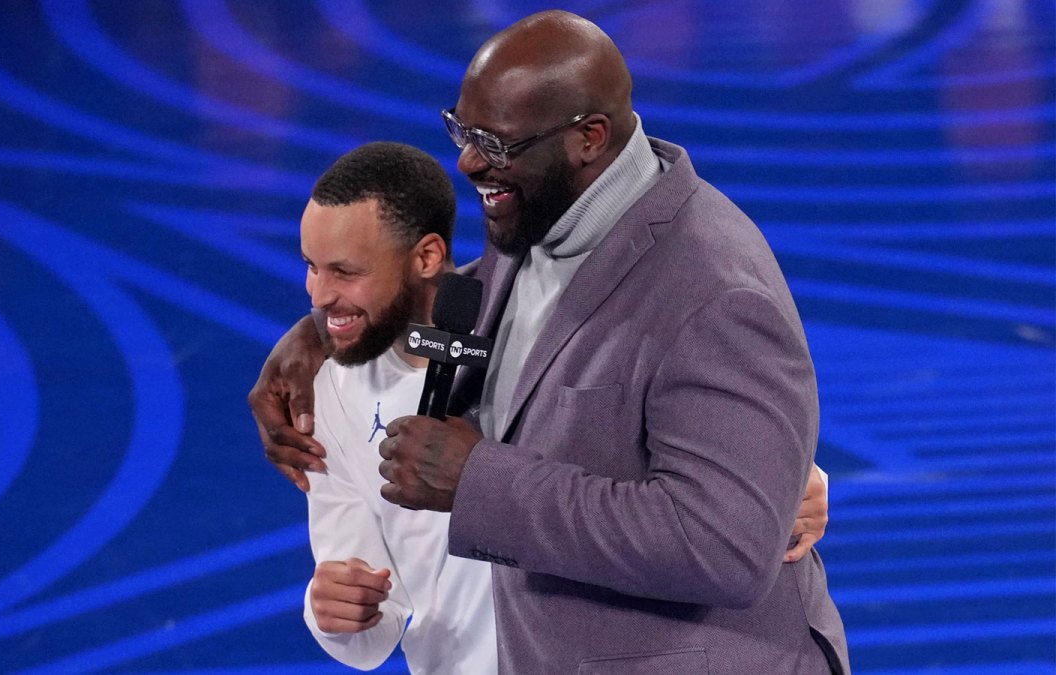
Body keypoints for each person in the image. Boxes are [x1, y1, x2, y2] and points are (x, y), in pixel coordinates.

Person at [255, 11, 848, 673]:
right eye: (461, 130)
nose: (468, 161)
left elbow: (721, 546)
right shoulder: (545, 207)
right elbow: (494, 307)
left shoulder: (716, 292)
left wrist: (476, 479)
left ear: (588, 138)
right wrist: (319, 332)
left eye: (495, 143)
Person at [292, 142, 496, 673]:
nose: (317, 296)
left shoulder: (537, 340)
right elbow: (370, 626)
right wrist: (334, 612)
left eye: (345, 271)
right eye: (312, 267)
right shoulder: (330, 391)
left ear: (426, 257)